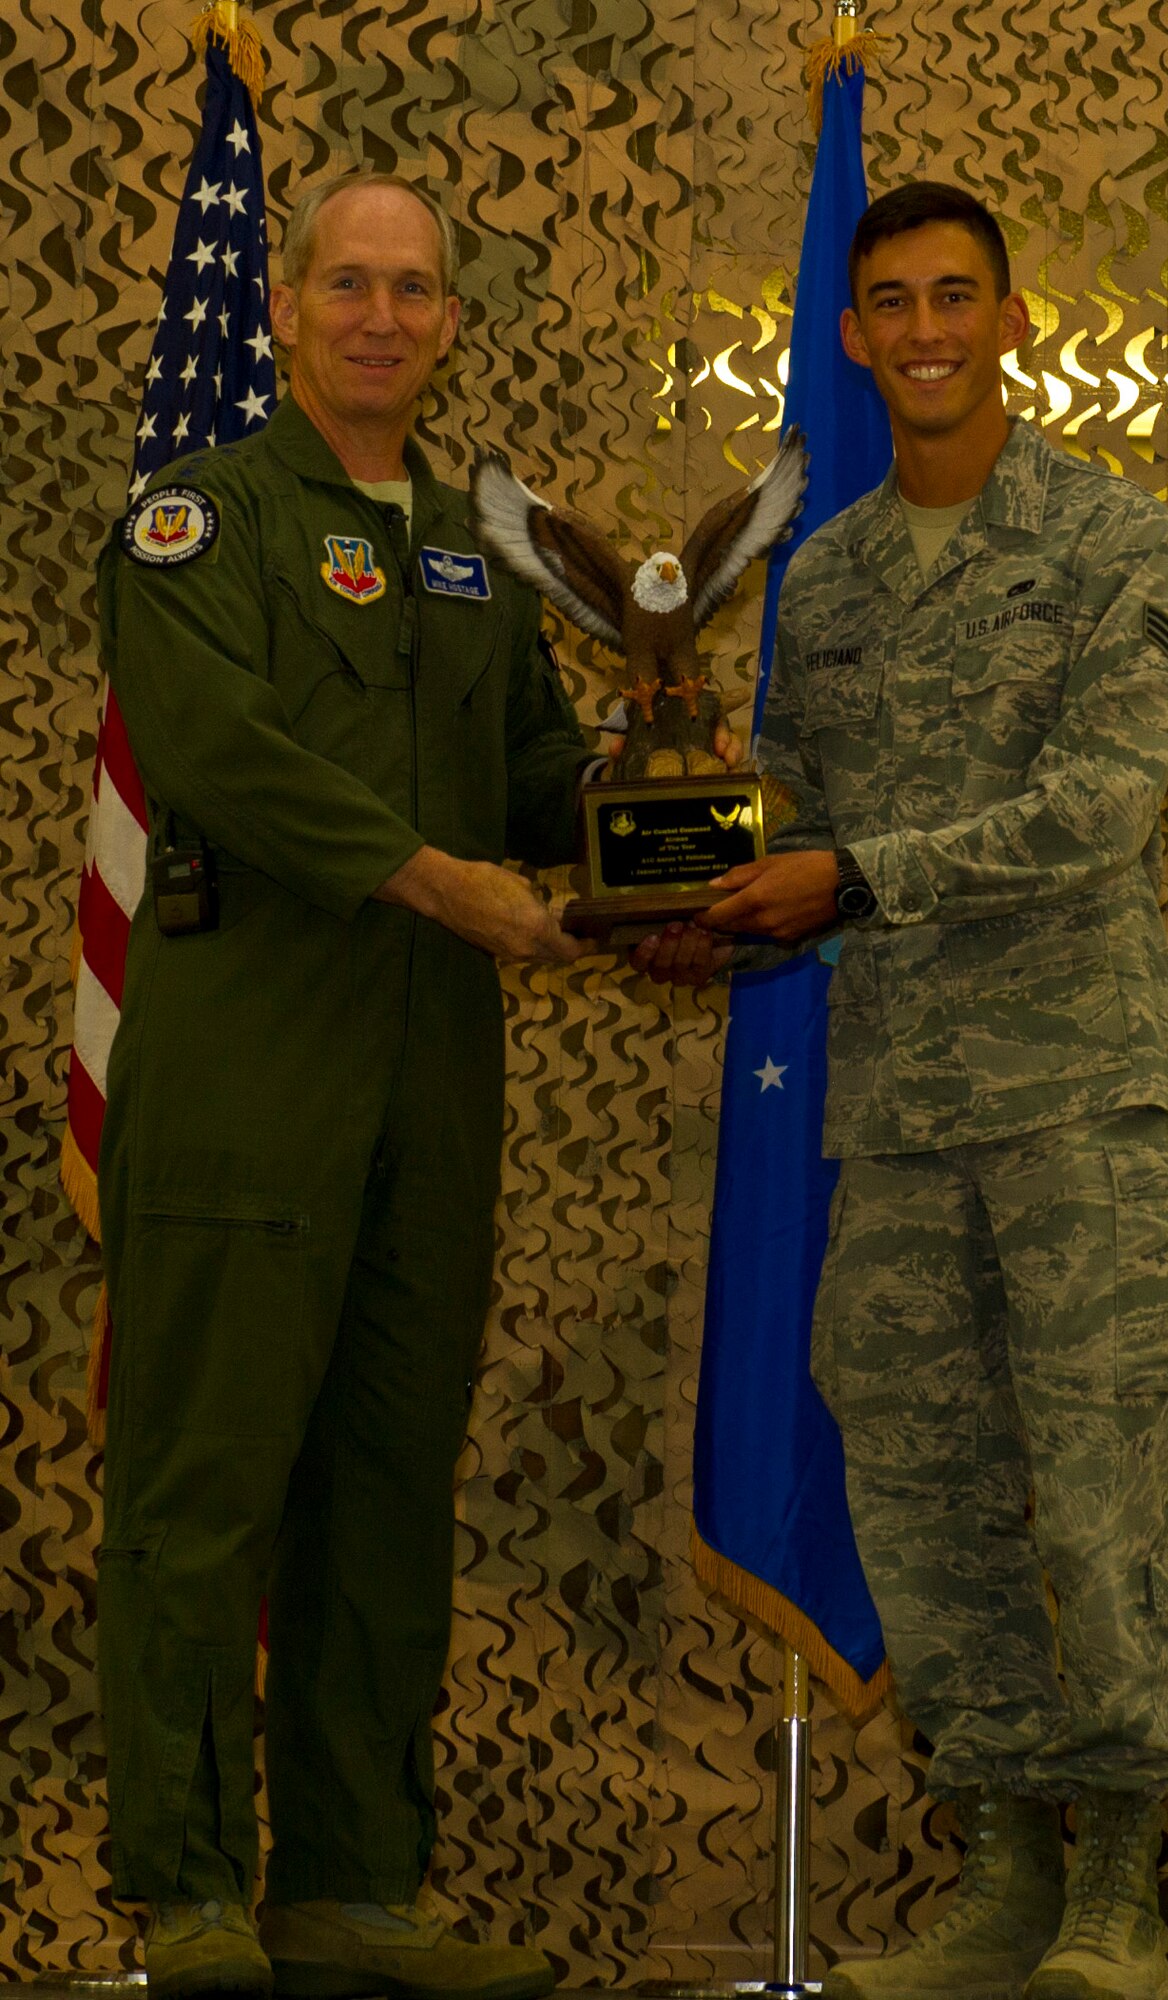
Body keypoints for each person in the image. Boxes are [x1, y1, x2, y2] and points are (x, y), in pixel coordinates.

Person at [636, 182, 1168, 2000]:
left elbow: (1101, 808)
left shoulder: (1113, 537)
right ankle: (1007, 1874)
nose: (927, 331)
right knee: (921, 1490)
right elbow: (793, 814)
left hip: (1078, 1101)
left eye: (957, 296)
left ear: (1012, 319)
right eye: (892, 304)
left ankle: (1122, 1888)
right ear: (857, 336)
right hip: (895, 1116)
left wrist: (847, 878)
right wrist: (697, 902)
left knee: (1097, 1491)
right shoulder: (829, 579)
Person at [96, 173, 593, 2000]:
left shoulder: (476, 545)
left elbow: (534, 768)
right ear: (289, 306)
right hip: (247, 1072)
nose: (383, 317)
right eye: (351, 285)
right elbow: (219, 751)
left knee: (384, 1488)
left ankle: (352, 1892)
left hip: (429, 1088)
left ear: (452, 323)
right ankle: (190, 1892)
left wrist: (671, 816)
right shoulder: (200, 517)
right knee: (204, 1491)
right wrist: (445, 883)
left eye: (416, 290)